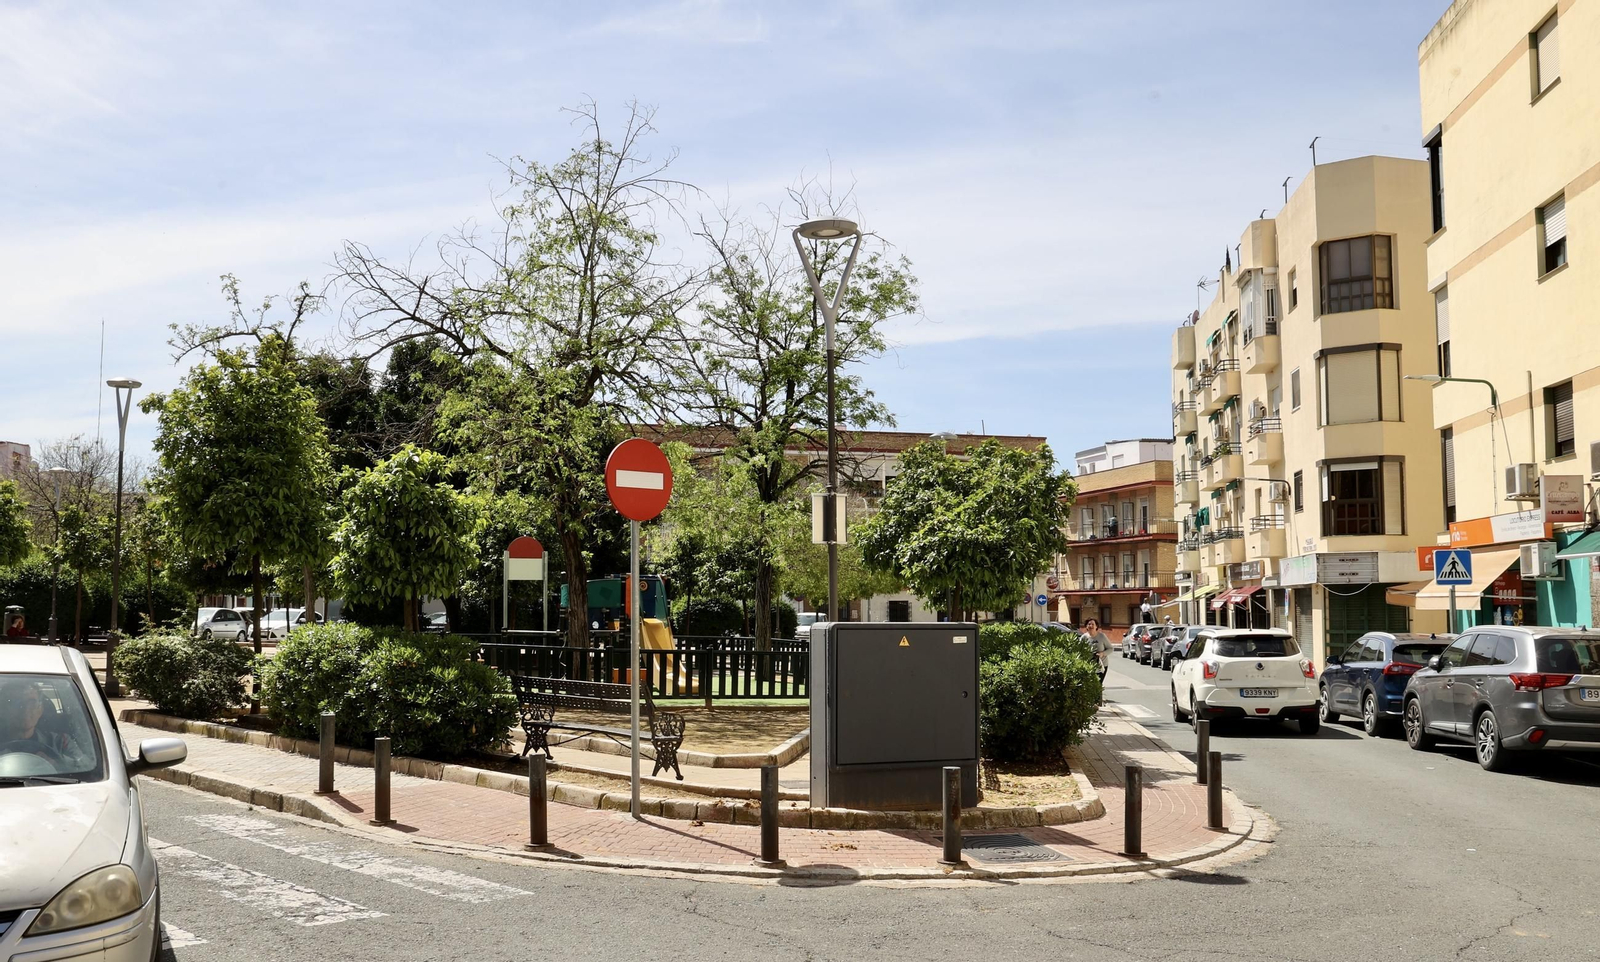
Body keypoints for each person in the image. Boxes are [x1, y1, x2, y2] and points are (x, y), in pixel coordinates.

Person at [0, 678, 83, 766]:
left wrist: (57, 762)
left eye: (32, 703)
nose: (25, 709)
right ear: (3, 709)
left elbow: (85, 764)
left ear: (41, 710)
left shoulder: (60, 742)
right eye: (16, 703)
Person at [1080, 618, 1114, 682]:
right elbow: (1079, 650)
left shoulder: (1102, 636)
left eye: (1093, 624)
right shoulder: (1084, 637)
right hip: (1088, 665)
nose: (1091, 626)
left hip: (1101, 665)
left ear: (1096, 626)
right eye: (1089, 624)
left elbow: (1111, 649)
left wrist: (1102, 653)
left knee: (1098, 684)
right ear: (1086, 626)